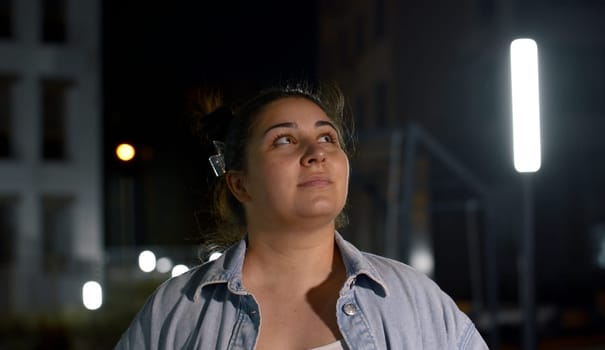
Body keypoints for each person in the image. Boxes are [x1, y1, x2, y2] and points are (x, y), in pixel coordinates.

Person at [114, 80, 489, 349]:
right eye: (284, 140)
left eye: (327, 138)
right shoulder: (178, 310)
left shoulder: (415, 300)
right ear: (240, 184)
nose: (317, 152)